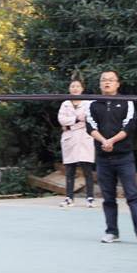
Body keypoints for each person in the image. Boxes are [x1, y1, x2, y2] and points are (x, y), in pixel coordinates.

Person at [86, 70, 137, 243]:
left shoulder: (127, 102)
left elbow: (129, 126)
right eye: (104, 80)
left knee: (132, 195)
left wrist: (112, 141)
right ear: (100, 84)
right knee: (108, 197)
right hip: (103, 158)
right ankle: (112, 231)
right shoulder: (92, 104)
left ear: (117, 84)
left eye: (111, 80)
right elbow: (90, 127)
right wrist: (104, 141)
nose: (107, 82)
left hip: (124, 157)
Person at [58, 78, 95, 208]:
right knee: (70, 170)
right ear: (69, 88)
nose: (75, 88)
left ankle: (90, 198)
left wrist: (70, 124)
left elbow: (88, 119)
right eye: (72, 86)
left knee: (87, 170)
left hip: (84, 137)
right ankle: (69, 198)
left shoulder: (88, 103)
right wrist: (77, 119)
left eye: (77, 86)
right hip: (70, 139)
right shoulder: (65, 104)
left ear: (82, 89)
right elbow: (61, 119)